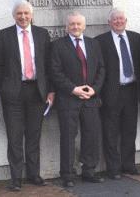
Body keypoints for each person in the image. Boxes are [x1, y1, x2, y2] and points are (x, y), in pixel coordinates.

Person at [0, 0, 54, 191]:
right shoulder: (4, 35)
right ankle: (15, 179)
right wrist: (3, 88)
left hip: (37, 91)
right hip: (13, 93)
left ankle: (34, 174)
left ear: (31, 15)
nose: (23, 16)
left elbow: (49, 65)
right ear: (14, 15)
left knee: (34, 136)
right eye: (19, 13)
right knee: (14, 137)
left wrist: (50, 90)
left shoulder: (42, 34)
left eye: (26, 13)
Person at [50, 11, 105, 187]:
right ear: (66, 27)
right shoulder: (58, 45)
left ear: (84, 26)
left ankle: (89, 170)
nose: (75, 27)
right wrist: (73, 89)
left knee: (91, 135)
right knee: (68, 137)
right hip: (68, 99)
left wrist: (93, 89)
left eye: (78, 24)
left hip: (90, 99)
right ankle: (67, 174)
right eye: (72, 24)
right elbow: (55, 72)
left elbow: (101, 69)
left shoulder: (93, 44)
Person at [95, 8, 140, 180]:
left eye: (121, 19)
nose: (118, 21)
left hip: (131, 90)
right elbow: (97, 69)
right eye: (115, 19)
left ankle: (129, 165)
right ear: (109, 22)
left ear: (126, 20)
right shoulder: (100, 41)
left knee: (130, 130)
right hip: (110, 93)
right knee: (110, 132)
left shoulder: (136, 38)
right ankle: (113, 168)